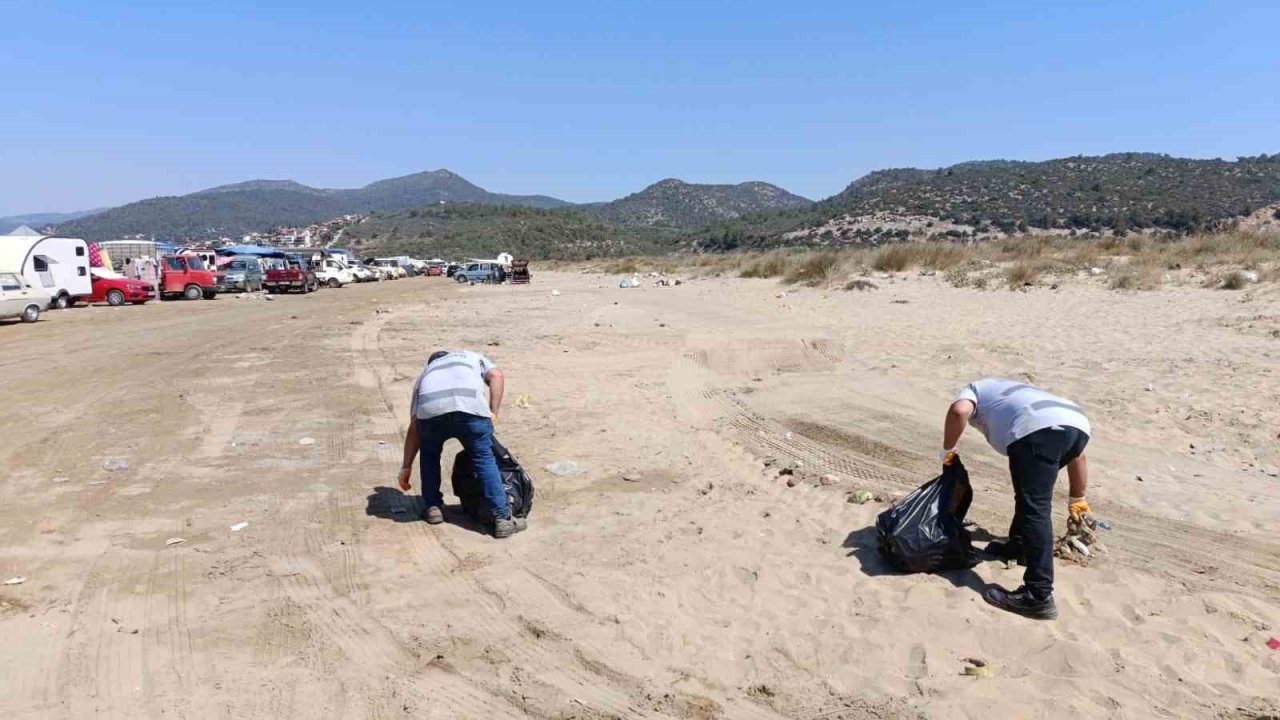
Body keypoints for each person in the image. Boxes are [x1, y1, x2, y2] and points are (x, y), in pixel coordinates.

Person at [942, 379, 1091, 620]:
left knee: (1035, 507)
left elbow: (959, 411)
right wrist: (1078, 497)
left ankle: (1038, 595)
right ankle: (1019, 547)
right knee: (1028, 496)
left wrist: (946, 452)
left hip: (1036, 430)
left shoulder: (974, 390)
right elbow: (1079, 456)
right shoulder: (1014, 393)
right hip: (1077, 425)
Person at [398, 350, 524, 538]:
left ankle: (433, 508)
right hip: (470, 409)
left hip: (432, 412)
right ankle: (502, 519)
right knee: (483, 458)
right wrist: (493, 411)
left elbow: (415, 424)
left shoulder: (425, 373)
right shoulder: (470, 356)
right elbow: (496, 376)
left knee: (429, 455)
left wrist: (406, 467)